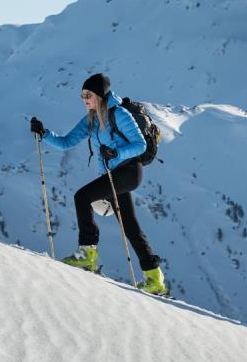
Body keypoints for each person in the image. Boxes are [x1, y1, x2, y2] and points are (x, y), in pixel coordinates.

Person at [30, 73, 167, 296]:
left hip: (129, 172)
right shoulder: (92, 119)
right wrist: (44, 134)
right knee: (130, 225)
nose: (84, 99)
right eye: (82, 95)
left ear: (100, 96)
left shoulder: (119, 114)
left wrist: (116, 152)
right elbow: (67, 142)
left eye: (88, 95)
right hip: (115, 174)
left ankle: (87, 253)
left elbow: (140, 145)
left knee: (82, 197)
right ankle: (154, 277)